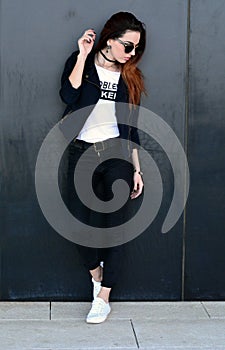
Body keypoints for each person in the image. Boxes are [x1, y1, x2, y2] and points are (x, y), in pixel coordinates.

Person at [59, 11, 146, 324]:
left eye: (136, 48)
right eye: (128, 46)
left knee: (115, 229)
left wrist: (136, 169)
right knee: (77, 225)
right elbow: (68, 95)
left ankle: (103, 298)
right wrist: (82, 56)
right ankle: (97, 276)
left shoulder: (129, 76)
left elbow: (130, 126)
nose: (132, 53)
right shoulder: (81, 60)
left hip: (116, 157)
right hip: (80, 153)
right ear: (110, 40)